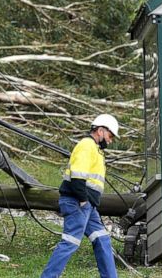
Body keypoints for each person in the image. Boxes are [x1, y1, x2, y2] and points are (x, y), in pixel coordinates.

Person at [40, 114, 120, 278]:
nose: (110, 141)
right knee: (70, 242)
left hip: (88, 206)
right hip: (78, 202)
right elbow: (77, 178)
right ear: (100, 130)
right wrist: (83, 201)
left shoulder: (95, 149)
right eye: (110, 136)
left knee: (102, 239)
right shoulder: (86, 146)